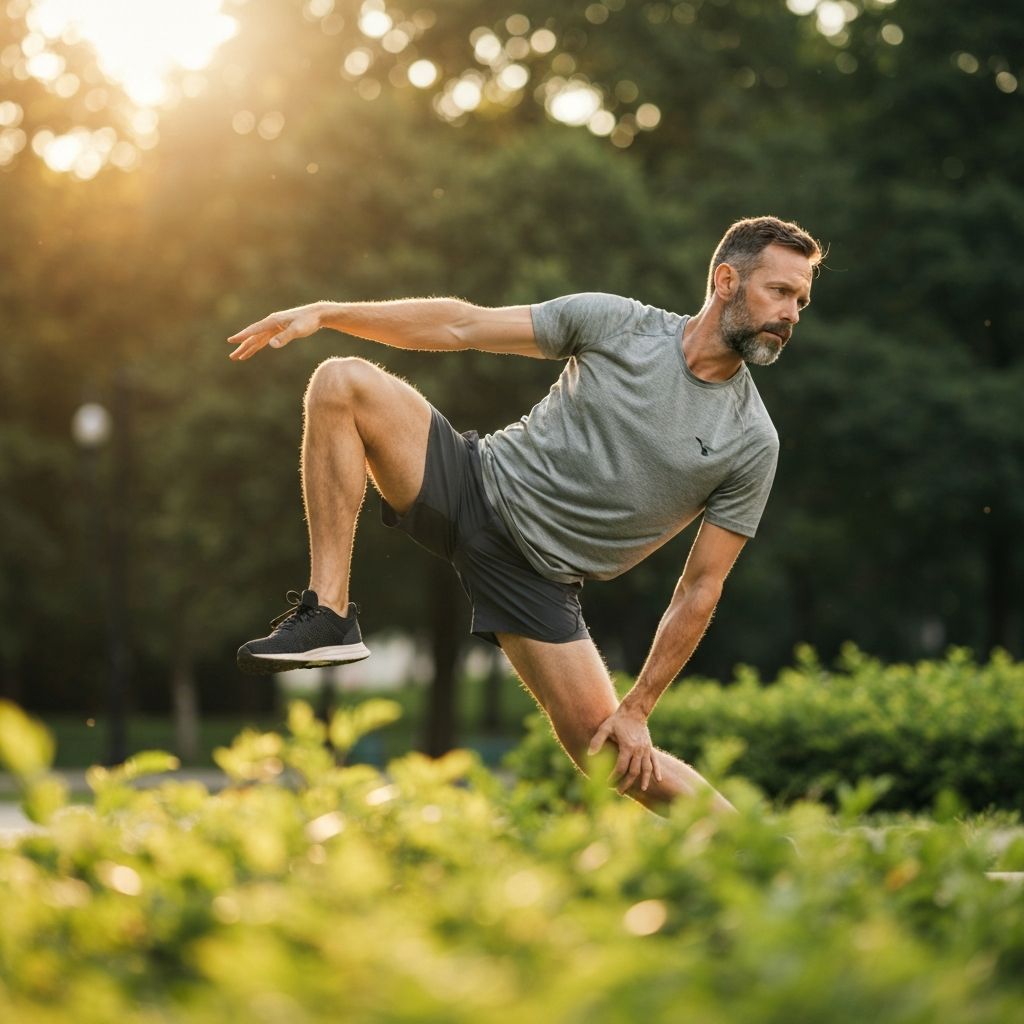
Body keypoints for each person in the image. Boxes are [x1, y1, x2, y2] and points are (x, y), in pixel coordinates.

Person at [228, 215, 821, 815]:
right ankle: (328, 614)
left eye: (801, 299)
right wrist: (328, 313)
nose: (792, 313)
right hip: (470, 484)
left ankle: (769, 853)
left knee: (613, 757)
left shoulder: (751, 441)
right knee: (340, 380)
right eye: (779, 292)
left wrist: (637, 707)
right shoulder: (618, 324)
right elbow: (462, 323)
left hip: (537, 583)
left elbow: (701, 587)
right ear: (725, 281)